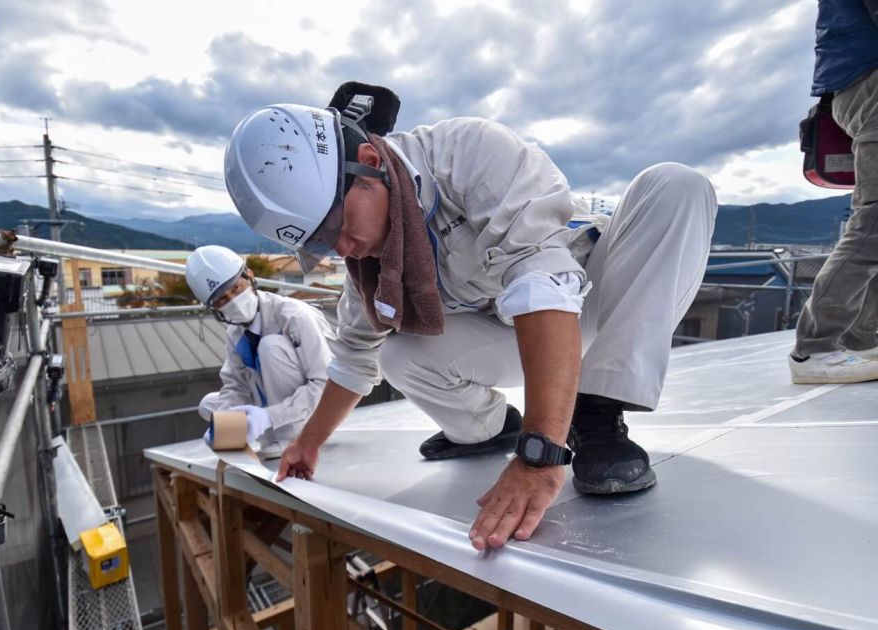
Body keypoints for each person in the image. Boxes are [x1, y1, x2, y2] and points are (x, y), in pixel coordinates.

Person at [223, 92, 716, 549]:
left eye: (336, 227)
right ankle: (489, 428)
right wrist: (308, 443)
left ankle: (597, 412)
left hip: (595, 306)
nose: (341, 250)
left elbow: (541, 281)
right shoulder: (368, 266)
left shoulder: (468, 154)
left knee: (675, 186)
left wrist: (540, 455)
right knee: (398, 352)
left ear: (369, 165)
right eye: (317, 244)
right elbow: (354, 359)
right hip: (518, 334)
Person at [790, 0, 878, 383]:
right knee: (874, 224)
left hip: (858, 83)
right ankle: (816, 347)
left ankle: (861, 340)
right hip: (869, 84)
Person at [185, 245, 335, 459]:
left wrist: (268, 417)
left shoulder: (294, 316)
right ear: (214, 308)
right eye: (222, 300)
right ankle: (262, 432)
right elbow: (235, 385)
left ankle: (290, 436)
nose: (233, 301)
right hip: (270, 408)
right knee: (208, 404)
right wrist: (224, 424)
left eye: (236, 288)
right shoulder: (235, 332)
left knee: (270, 346)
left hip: (313, 416)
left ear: (250, 276)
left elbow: (324, 385)